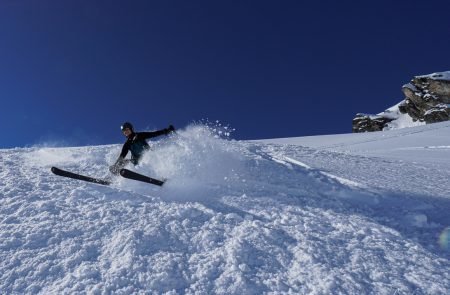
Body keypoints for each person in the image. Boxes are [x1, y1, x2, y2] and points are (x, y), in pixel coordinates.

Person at [109, 122, 175, 174]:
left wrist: (166, 130)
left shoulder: (139, 135)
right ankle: (115, 179)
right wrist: (115, 165)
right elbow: (122, 155)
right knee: (122, 162)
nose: (125, 132)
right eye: (124, 131)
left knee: (154, 160)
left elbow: (154, 134)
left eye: (127, 129)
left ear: (131, 129)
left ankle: (161, 175)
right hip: (135, 161)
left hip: (148, 158)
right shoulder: (127, 144)